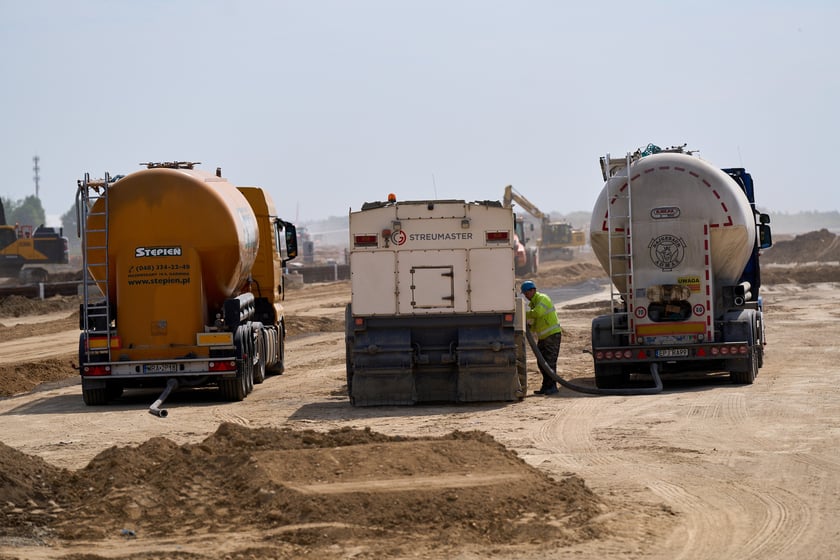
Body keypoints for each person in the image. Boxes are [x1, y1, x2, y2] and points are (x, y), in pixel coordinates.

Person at [520, 280, 563, 395]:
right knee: (541, 363)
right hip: (544, 337)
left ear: (533, 290)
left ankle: (552, 387)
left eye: (526, 293)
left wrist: (522, 313)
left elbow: (537, 313)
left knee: (550, 362)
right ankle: (546, 386)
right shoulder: (533, 304)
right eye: (524, 294)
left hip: (552, 335)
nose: (526, 296)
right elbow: (534, 323)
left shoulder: (543, 298)